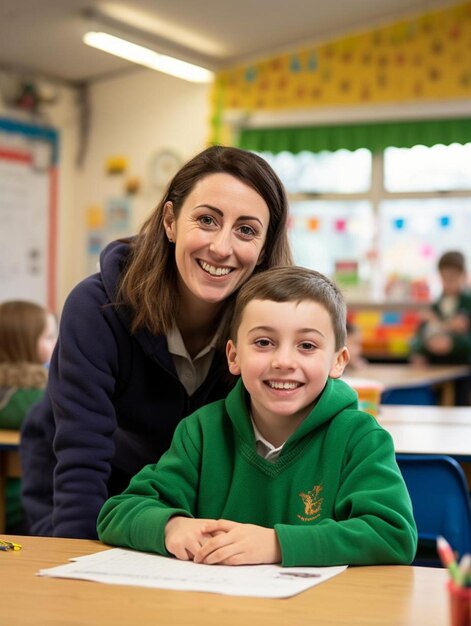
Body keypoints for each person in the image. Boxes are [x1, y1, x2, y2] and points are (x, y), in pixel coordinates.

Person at [20, 145, 293, 539]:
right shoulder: (98, 308)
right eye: (206, 220)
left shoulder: (268, 329)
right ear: (170, 221)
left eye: (246, 229)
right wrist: (74, 558)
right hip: (85, 501)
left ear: (265, 247)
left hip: (182, 518)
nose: (222, 247)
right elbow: (82, 461)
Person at [97, 267, 417, 566]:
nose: (283, 361)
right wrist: (171, 526)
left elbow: (393, 534)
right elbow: (118, 513)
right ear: (234, 356)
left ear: (338, 361)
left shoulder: (359, 437)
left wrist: (277, 544)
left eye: (306, 345)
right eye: (264, 342)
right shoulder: (202, 432)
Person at [0, 300, 57, 533]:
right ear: (23, 343)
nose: (56, 343)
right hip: (17, 508)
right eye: (49, 337)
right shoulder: (37, 394)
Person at [409, 250, 471, 366]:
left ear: (463, 275)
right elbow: (417, 339)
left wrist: (454, 344)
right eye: (444, 277)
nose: (448, 282)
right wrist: (420, 351)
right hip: (436, 367)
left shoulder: (468, 304)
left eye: (452, 277)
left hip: (463, 368)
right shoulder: (434, 307)